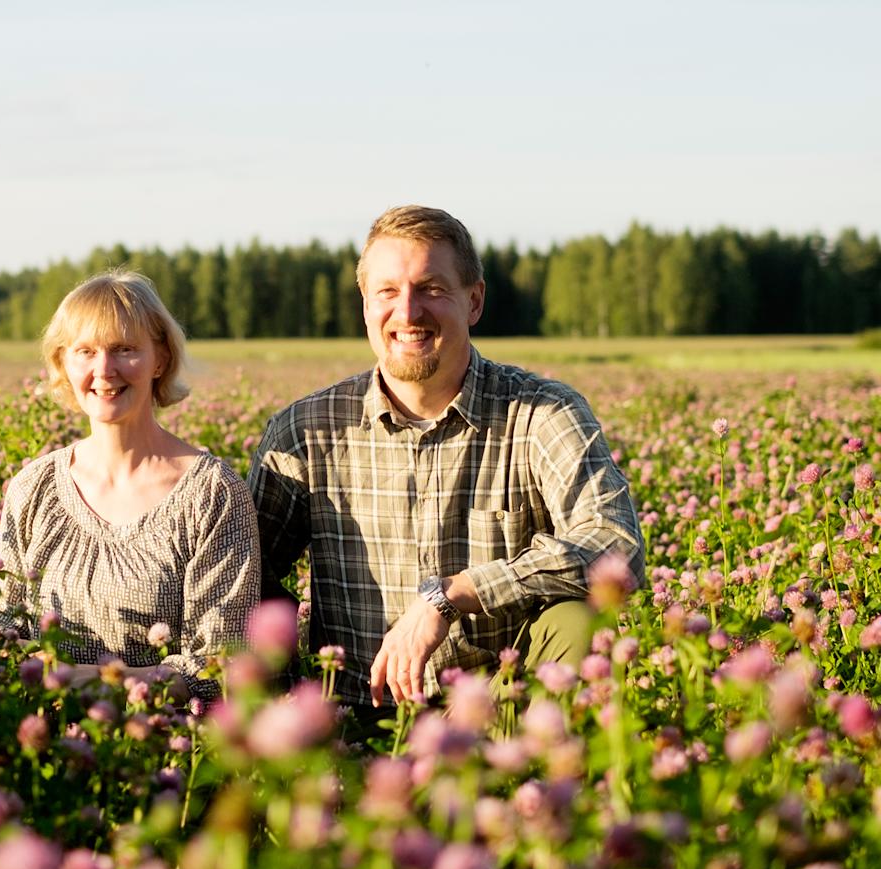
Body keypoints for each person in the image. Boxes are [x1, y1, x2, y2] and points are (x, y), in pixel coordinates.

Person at [248, 205, 644, 729]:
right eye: (387, 291)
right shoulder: (305, 431)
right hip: (360, 720)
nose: (408, 312)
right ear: (365, 304)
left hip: (503, 710)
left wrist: (453, 596)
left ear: (473, 300)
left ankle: (545, 783)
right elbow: (245, 574)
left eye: (431, 288)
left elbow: (616, 544)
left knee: (577, 621)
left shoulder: (541, 412)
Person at [0, 271, 260, 702]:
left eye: (125, 349)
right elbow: (0, 625)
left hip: (168, 753)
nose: (104, 370)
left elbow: (220, 664)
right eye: (86, 351)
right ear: (63, 364)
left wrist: (82, 683)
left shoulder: (212, 493)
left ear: (160, 359)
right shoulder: (33, 487)